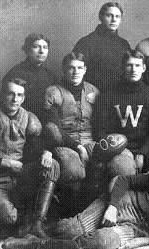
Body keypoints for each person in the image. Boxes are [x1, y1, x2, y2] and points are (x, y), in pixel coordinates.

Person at [2, 142, 149, 249]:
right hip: (123, 204)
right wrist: (113, 206)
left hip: (138, 228)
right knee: (70, 230)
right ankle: (31, 233)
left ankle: (33, 245)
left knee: (99, 243)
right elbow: (124, 180)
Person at [0, 78, 59, 239]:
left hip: (22, 177)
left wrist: (46, 152)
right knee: (10, 218)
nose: (14, 99)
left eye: (19, 95)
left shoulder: (29, 117)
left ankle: (37, 224)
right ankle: (18, 227)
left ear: (23, 98)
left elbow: (38, 145)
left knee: (52, 164)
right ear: (2, 94)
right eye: (10, 94)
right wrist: (5, 163)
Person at [93, 50, 149, 177]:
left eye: (137, 65)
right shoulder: (108, 95)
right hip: (121, 149)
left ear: (144, 68)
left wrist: (142, 152)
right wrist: (117, 148)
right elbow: (100, 130)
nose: (133, 69)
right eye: (129, 65)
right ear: (122, 68)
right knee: (122, 171)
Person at [43, 52, 99, 215]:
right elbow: (55, 129)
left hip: (90, 140)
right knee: (72, 166)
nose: (75, 72)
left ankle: (92, 216)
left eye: (79, 68)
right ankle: (69, 214)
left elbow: (100, 123)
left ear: (85, 70)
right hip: (64, 142)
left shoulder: (93, 91)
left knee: (101, 164)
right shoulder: (52, 92)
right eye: (71, 68)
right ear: (63, 69)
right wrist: (78, 146)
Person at [72, 2, 131, 94]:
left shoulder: (124, 44)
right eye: (109, 15)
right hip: (93, 97)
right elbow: (74, 73)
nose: (114, 20)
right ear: (100, 17)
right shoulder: (86, 42)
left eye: (117, 16)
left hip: (119, 96)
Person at [2, 33, 58, 119]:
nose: (42, 51)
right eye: (36, 47)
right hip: (21, 121)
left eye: (45, 47)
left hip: (46, 120)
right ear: (27, 50)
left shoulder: (51, 76)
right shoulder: (15, 73)